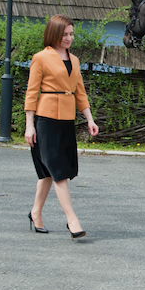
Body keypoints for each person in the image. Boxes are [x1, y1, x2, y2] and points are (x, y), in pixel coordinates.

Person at [24, 14, 99, 239]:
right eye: (65, 34)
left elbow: (80, 92)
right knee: (58, 171)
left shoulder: (74, 60)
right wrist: (30, 125)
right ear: (54, 34)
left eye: (71, 34)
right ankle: (72, 220)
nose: (69, 38)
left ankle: (35, 213)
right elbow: (31, 93)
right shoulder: (41, 58)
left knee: (49, 172)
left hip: (66, 120)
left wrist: (89, 119)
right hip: (45, 120)